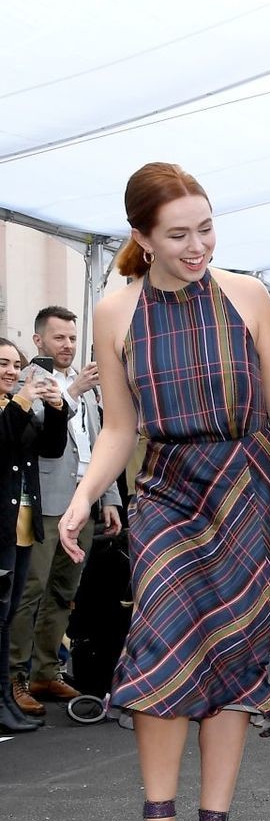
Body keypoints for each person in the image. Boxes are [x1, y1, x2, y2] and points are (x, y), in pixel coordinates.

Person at [57, 162, 270, 821]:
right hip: (168, 489)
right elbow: (119, 427)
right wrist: (83, 496)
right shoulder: (116, 312)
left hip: (248, 486)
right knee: (161, 645)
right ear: (142, 237)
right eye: (178, 235)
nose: (198, 245)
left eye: (206, 228)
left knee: (234, 654)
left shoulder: (247, 295)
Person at [10, 306, 124, 720]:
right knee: (31, 590)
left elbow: (99, 443)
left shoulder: (86, 383)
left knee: (64, 590)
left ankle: (46, 671)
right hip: (46, 502)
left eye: (73, 338)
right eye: (59, 338)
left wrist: (109, 497)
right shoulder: (26, 379)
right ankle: (15, 677)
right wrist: (72, 391)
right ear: (38, 340)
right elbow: (34, 428)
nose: (68, 345)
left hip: (83, 499)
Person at [1, 339, 70, 734]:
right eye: (3, 364)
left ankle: (6, 699)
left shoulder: (17, 405)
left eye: (16, 364)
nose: (12, 371)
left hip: (23, 528)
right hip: (3, 526)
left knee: (8, 615)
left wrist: (57, 410)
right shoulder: (14, 406)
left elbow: (51, 448)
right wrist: (24, 397)